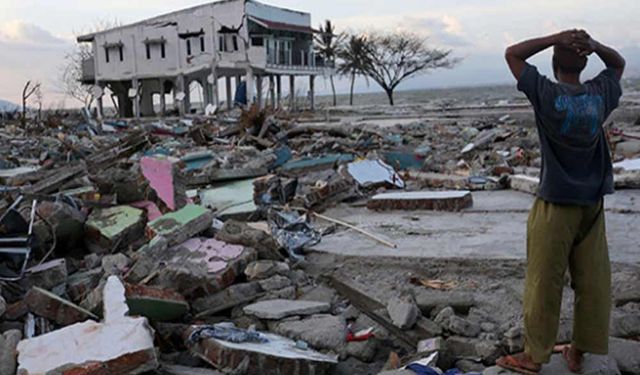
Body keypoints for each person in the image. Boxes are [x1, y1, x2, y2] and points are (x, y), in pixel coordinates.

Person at [497, 30, 626, 374]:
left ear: (554, 64)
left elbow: (513, 54)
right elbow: (618, 63)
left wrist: (556, 37)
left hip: (556, 202)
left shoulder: (547, 94)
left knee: (544, 280)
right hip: (592, 202)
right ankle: (579, 352)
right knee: (593, 280)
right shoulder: (600, 93)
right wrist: (595, 46)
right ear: (584, 64)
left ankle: (533, 356)